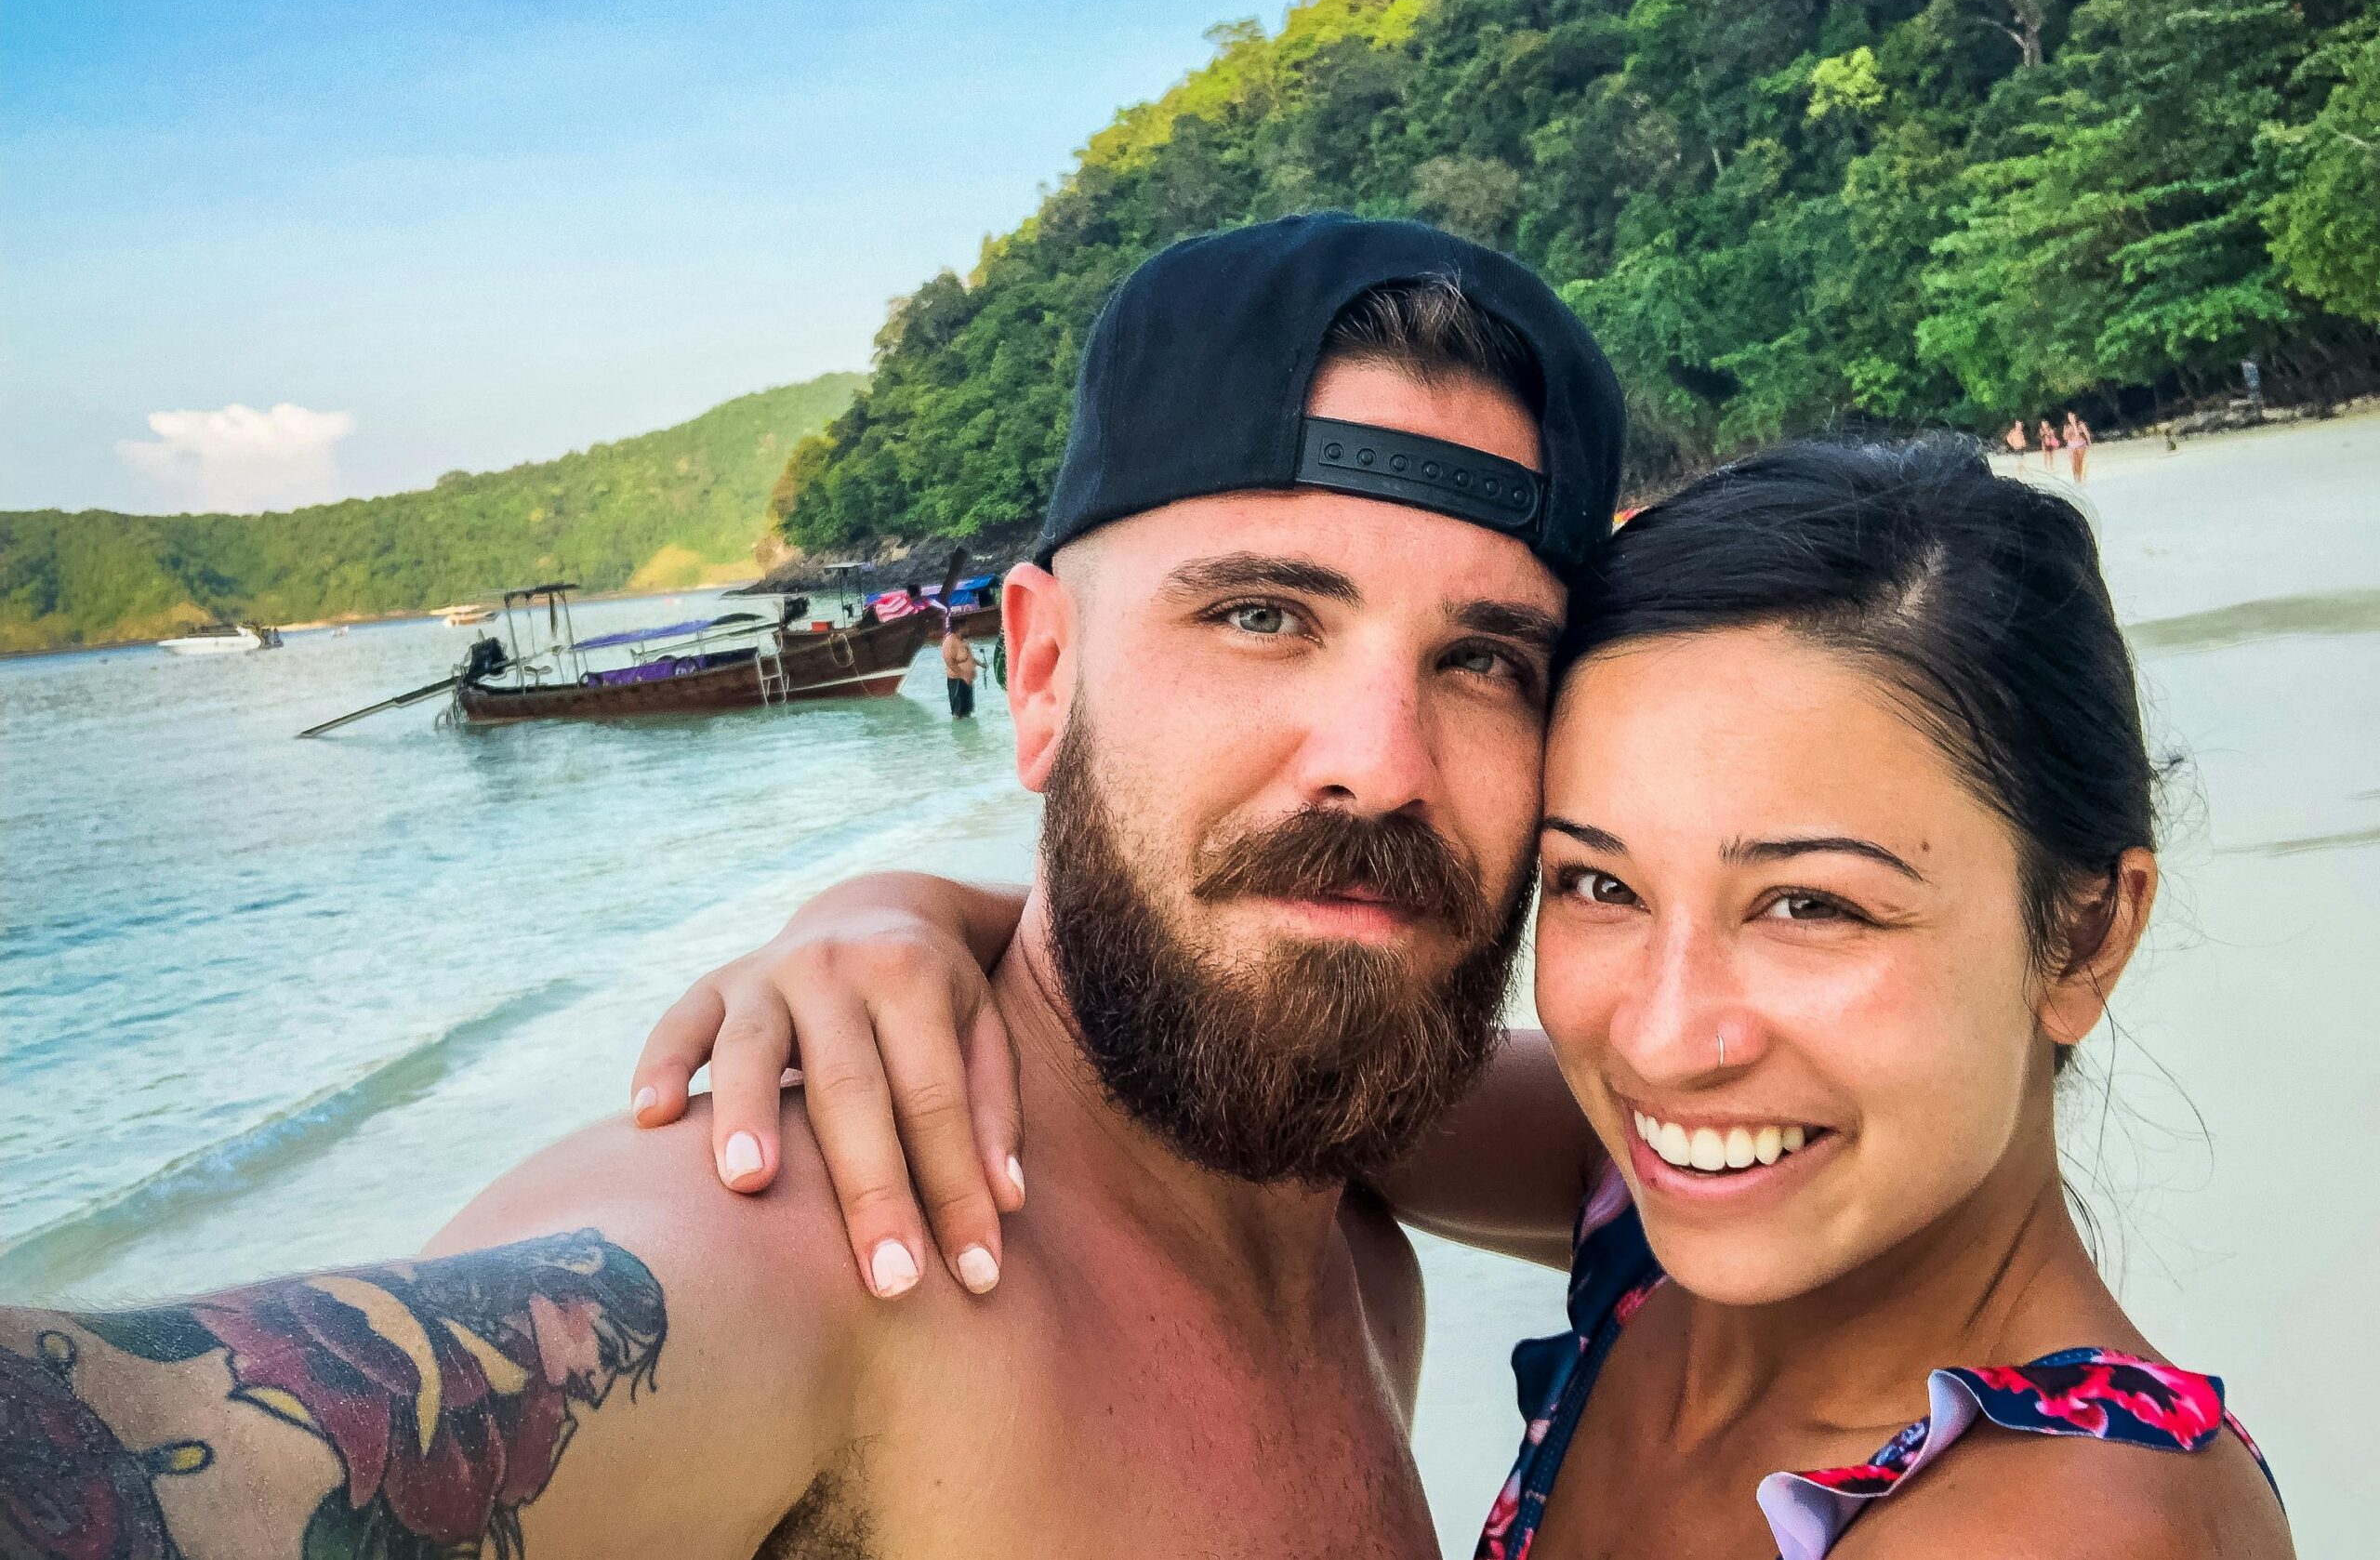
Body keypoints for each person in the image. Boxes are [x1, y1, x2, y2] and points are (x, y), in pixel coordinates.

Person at [0, 213, 1627, 1558]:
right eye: (1263, 615)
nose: (1384, 762)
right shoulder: (827, 1256)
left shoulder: (1359, 1248)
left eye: (1487, 658)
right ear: (1041, 673)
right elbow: (162, 1445)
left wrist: (910, 900)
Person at [638, 443, 2292, 1557]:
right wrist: (908, 920)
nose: (1661, 1036)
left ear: (2081, 937)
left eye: (1809, 905)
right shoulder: (1655, 1205)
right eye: (1596, 885)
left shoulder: (2070, 1523)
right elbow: (1260, 1035)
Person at [940, 617, 978, 718]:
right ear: (960, 628)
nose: (968, 629)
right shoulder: (950, 642)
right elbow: (949, 662)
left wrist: (980, 664)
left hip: (967, 680)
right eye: (966, 627)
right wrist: (963, 675)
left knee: (968, 711)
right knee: (958, 713)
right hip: (957, 680)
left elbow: (969, 657)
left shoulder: (964, 640)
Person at [2066, 409, 2095, 483]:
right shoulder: (2067, 427)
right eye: (2069, 417)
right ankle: (2076, 479)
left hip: (2080, 444)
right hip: (2071, 445)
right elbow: (2065, 437)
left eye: (2072, 416)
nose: (2070, 418)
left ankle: (2081, 478)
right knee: (2073, 463)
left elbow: (2087, 434)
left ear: (2075, 416)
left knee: (2080, 463)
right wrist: (2069, 434)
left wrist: (2090, 443)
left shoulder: (2081, 424)